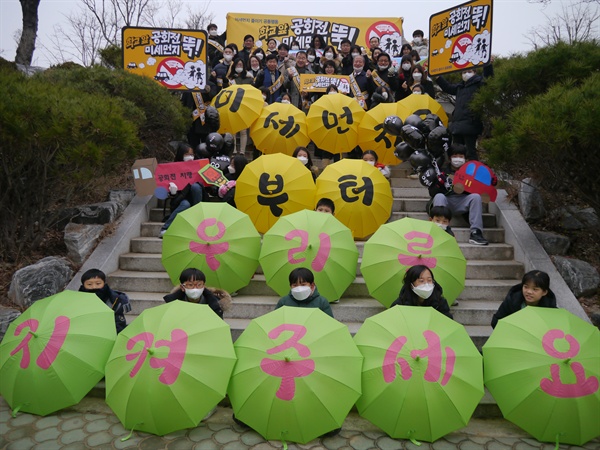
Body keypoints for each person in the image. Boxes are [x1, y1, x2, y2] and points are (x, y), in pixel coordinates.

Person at [429, 143, 489, 245]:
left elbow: (480, 189)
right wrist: (439, 184)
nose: (458, 159)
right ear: (450, 158)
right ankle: (440, 229)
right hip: (447, 201)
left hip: (463, 201)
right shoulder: (442, 171)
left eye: (461, 156)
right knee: (439, 196)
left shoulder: (472, 171)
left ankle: (476, 233)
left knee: (476, 197)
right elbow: (432, 193)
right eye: (455, 156)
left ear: (465, 158)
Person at [436, 63, 494, 160]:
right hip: (458, 124)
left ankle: (473, 173)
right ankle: (458, 172)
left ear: (475, 72)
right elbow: (447, 87)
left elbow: (488, 78)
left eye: (469, 71)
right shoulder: (460, 87)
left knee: (470, 152)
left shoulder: (479, 83)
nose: (466, 74)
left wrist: (488, 64)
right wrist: (437, 77)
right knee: (457, 151)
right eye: (464, 72)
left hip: (471, 124)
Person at [159, 143, 204, 237]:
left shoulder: (198, 167)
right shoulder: (173, 169)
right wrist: (172, 192)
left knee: (196, 186)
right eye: (187, 154)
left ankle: (198, 217)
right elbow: (168, 193)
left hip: (196, 199)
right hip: (180, 200)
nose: (190, 157)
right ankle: (165, 228)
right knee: (185, 204)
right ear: (181, 155)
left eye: (192, 154)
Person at [491, 270, 557, 328]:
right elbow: (496, 321)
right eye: (526, 287)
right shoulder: (512, 301)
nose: (529, 292)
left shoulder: (550, 308)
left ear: (544, 292)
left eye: (535, 289)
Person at [79, 268, 131, 333]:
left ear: (104, 283)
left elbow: (118, 322)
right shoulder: (77, 300)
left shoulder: (114, 299)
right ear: (83, 285)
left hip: (109, 331)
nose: (94, 287)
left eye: (98, 283)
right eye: (89, 284)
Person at [163, 268, 229, 319]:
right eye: (191, 285)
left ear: (204, 286)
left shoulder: (214, 304)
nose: (195, 288)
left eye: (199, 284)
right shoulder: (173, 303)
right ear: (182, 287)